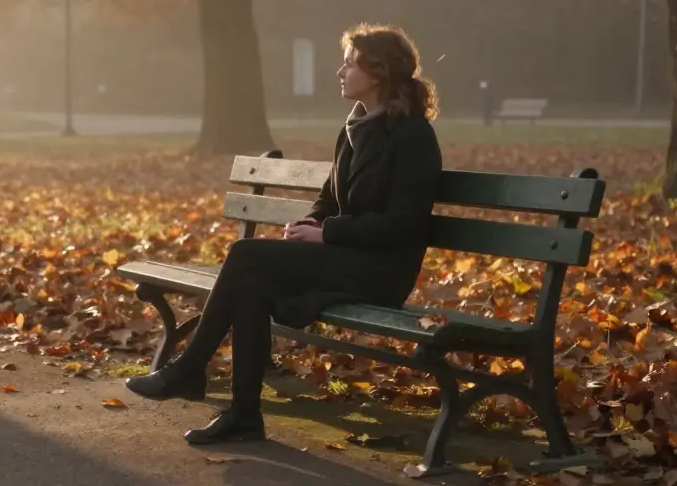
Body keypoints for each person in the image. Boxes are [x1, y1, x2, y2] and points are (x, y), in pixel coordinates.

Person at [124, 23, 443, 445]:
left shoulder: (413, 136)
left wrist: (327, 233)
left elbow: (404, 223)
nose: (340, 72)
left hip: (381, 270)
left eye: (349, 64)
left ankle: (188, 369)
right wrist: (313, 223)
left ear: (379, 72)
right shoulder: (356, 127)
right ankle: (243, 416)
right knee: (252, 285)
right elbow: (330, 197)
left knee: (246, 254)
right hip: (345, 257)